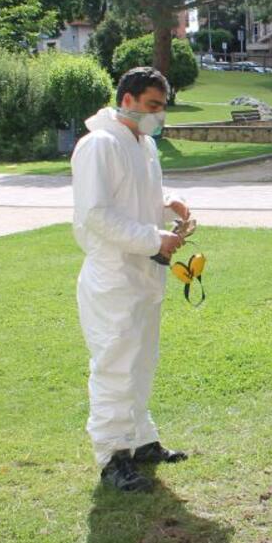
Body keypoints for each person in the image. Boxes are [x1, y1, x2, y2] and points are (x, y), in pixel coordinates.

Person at [72, 67, 191, 494]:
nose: (159, 116)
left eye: (162, 107)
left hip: (143, 272)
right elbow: (96, 214)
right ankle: (112, 455)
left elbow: (135, 199)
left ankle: (139, 440)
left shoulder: (142, 146)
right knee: (115, 364)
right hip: (113, 275)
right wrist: (150, 236)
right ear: (127, 100)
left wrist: (166, 205)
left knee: (142, 359)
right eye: (152, 106)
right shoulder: (99, 145)